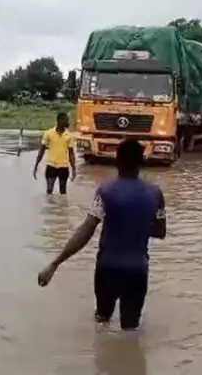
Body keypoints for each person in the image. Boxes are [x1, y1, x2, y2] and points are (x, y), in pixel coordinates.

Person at [37, 139, 167, 331]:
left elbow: (86, 230)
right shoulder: (156, 194)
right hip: (138, 269)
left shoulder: (105, 191)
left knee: (102, 322)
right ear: (141, 161)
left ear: (117, 159)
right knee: (130, 329)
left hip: (108, 267)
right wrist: (136, 225)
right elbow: (160, 232)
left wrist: (55, 263)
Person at [33, 112, 77, 195]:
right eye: (65, 120)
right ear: (59, 121)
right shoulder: (49, 133)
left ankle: (61, 208)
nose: (68, 122)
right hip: (51, 166)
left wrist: (74, 169)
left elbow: (71, 154)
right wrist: (36, 165)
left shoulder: (69, 136)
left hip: (63, 167)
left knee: (63, 193)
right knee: (49, 191)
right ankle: (50, 207)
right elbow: (41, 150)